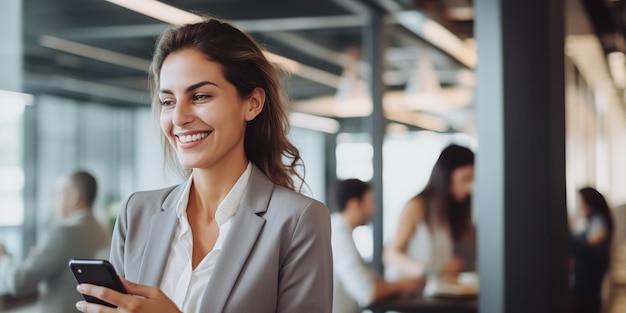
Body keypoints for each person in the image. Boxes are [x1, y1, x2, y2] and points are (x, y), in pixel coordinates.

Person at [74, 17, 333, 313]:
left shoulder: (297, 220)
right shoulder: (137, 212)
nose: (179, 117)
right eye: (168, 101)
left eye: (200, 96)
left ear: (252, 103)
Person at [0, 170, 110, 313]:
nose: (55, 200)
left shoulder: (64, 233)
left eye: (58, 193)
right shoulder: (99, 228)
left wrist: (4, 257)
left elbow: (19, 283)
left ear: (74, 197)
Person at [383, 144, 475, 282]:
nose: (469, 188)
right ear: (447, 175)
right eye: (465, 179)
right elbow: (390, 254)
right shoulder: (417, 206)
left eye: (472, 180)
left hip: (433, 294)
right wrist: (429, 271)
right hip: (407, 296)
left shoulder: (447, 210)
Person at [330, 179, 423, 313]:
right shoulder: (338, 237)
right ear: (354, 204)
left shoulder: (340, 231)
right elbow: (368, 292)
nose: (373, 210)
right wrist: (403, 285)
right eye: (370, 203)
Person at [570, 187, 614, 313]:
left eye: (582, 202)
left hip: (587, 286)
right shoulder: (594, 220)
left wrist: (569, 236)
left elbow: (591, 242)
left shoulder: (598, 220)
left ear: (590, 203)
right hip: (589, 285)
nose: (580, 207)